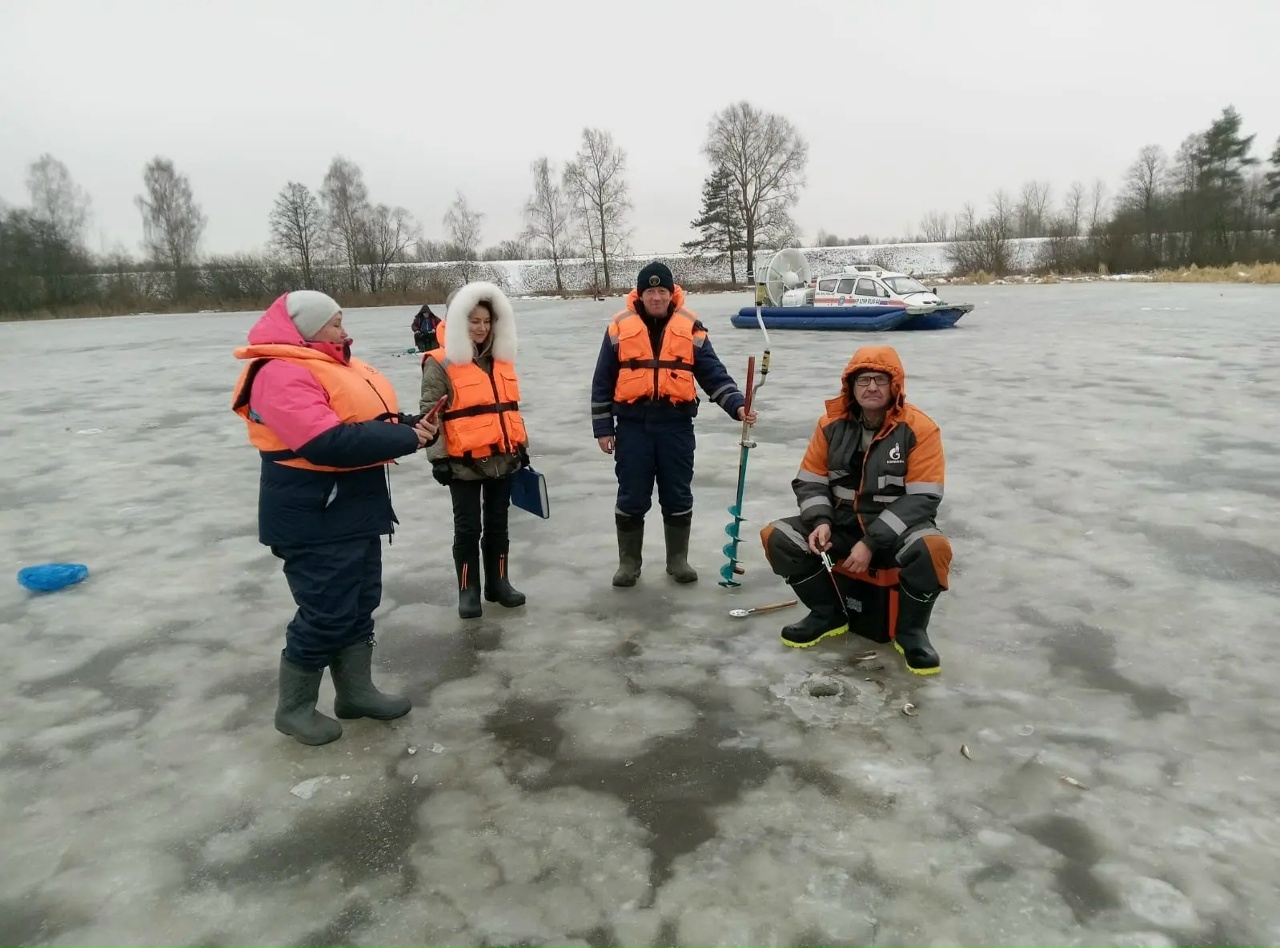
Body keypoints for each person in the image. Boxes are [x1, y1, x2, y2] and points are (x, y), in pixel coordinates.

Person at [232, 290, 438, 745]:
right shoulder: (280, 373)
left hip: (353, 508)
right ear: (305, 330)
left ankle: (356, 692)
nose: (344, 330)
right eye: (334, 323)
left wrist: (408, 423)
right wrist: (405, 439)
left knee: (360, 603)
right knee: (326, 612)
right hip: (313, 515)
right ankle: (295, 708)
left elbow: (362, 419)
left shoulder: (335, 366)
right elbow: (326, 441)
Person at [758, 345, 952, 675]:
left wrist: (871, 542)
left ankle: (911, 633)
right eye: (863, 380)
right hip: (843, 525)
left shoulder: (920, 428)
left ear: (895, 386)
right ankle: (827, 614)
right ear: (851, 386)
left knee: (932, 549)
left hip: (897, 532)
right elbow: (810, 481)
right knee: (778, 537)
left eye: (880, 379)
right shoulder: (829, 425)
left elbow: (923, 498)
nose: (872, 387)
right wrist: (820, 521)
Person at [590, 261, 758, 587]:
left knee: (677, 494)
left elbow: (712, 373)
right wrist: (603, 428)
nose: (656, 297)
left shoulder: (690, 327)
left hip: (676, 427)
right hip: (633, 427)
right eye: (650, 291)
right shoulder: (618, 328)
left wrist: (737, 405)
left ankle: (678, 560)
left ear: (671, 293)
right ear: (640, 294)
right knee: (631, 495)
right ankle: (629, 563)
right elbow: (602, 381)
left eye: (662, 291)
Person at [420, 281, 529, 619]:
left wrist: (521, 446)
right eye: (473, 321)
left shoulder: (502, 359)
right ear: (457, 321)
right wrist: (438, 459)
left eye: (486, 321)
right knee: (467, 528)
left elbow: (509, 408)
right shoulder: (440, 362)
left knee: (499, 525)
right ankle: (468, 591)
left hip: (502, 458)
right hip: (462, 463)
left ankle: (499, 583)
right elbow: (430, 414)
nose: (481, 328)